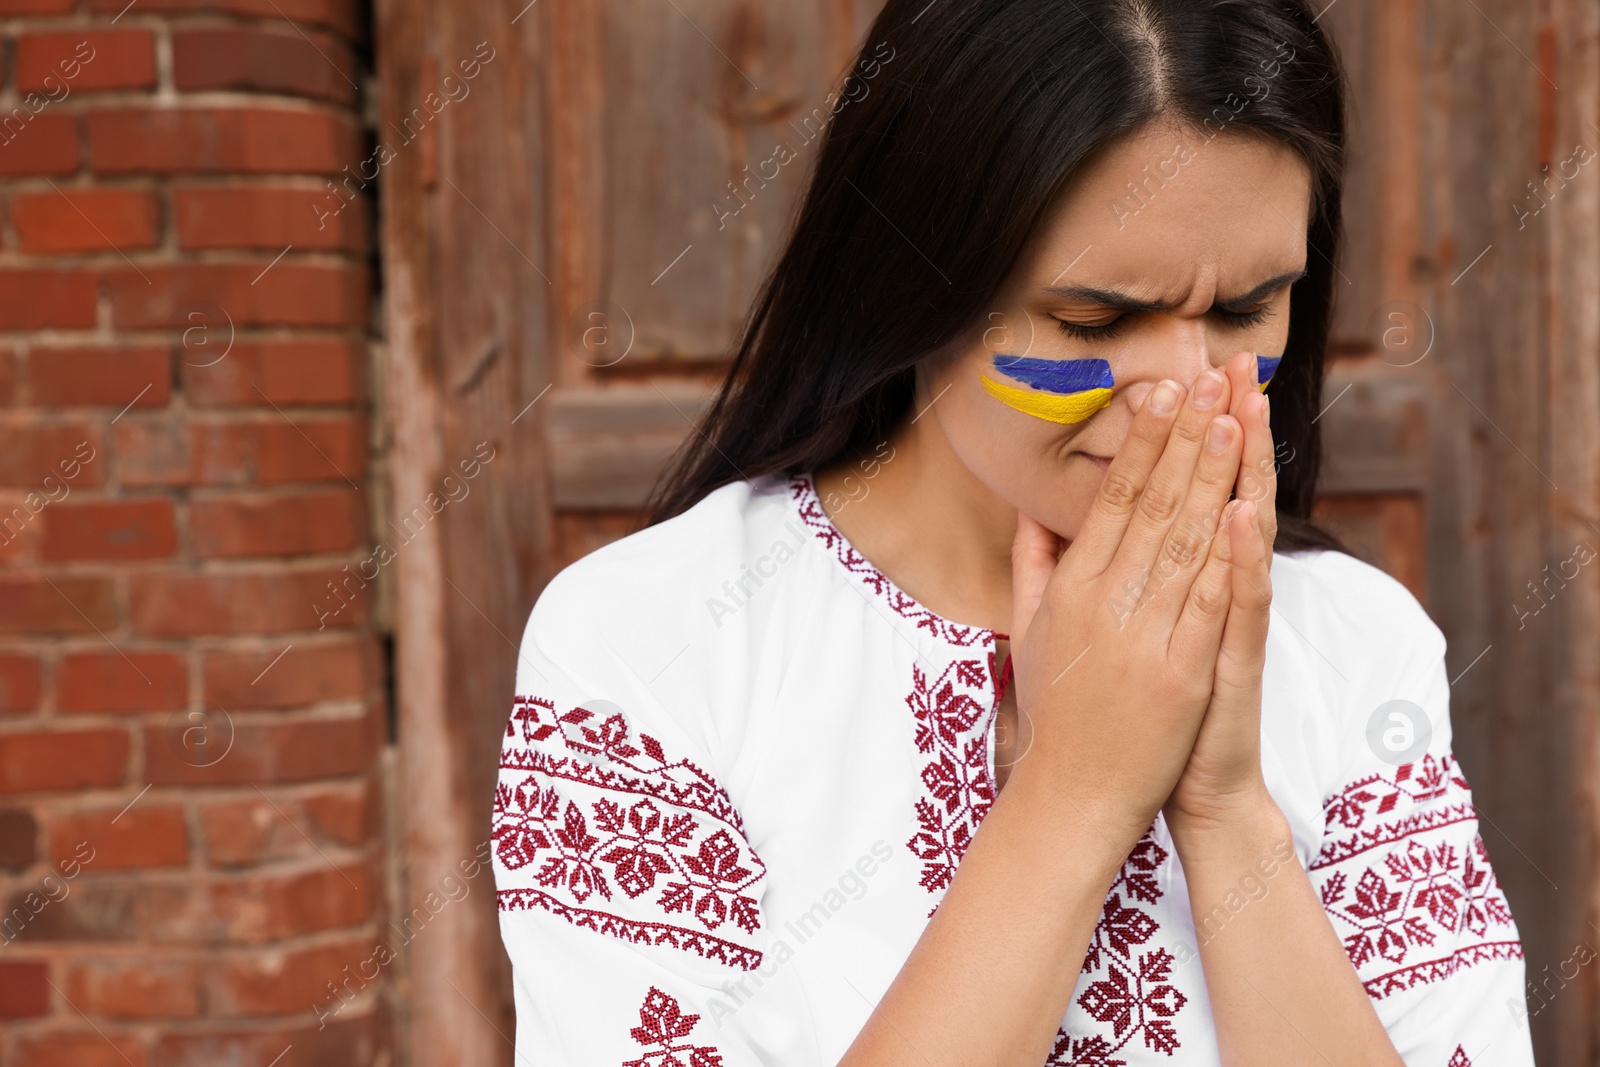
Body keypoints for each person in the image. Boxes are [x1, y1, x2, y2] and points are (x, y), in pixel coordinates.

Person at [490, 0, 1536, 1062]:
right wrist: (1073, 794)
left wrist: (1224, 812)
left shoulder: (1354, 641)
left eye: (1245, 309)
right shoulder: (653, 642)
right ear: (910, 280)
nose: (1185, 392)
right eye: (1093, 320)